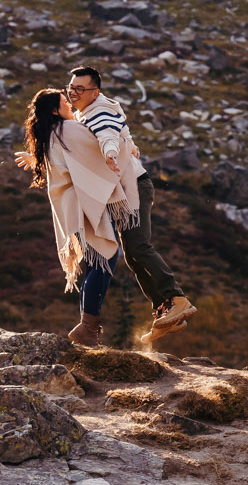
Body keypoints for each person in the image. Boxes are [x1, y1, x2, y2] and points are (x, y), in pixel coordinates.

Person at [63, 66, 196, 341]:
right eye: (70, 88)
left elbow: (107, 135)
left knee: (138, 247)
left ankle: (176, 299)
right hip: (122, 193)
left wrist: (110, 154)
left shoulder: (99, 112)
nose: (73, 93)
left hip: (132, 189)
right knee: (133, 256)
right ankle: (165, 311)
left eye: (79, 89)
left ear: (94, 92)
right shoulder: (86, 113)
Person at [17, 88, 128, 347]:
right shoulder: (70, 129)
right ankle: (87, 327)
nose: (70, 105)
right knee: (105, 259)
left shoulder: (51, 134)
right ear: (56, 109)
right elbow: (97, 150)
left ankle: (87, 330)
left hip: (72, 208)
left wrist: (35, 159)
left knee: (94, 263)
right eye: (65, 102)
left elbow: (64, 162)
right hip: (86, 204)